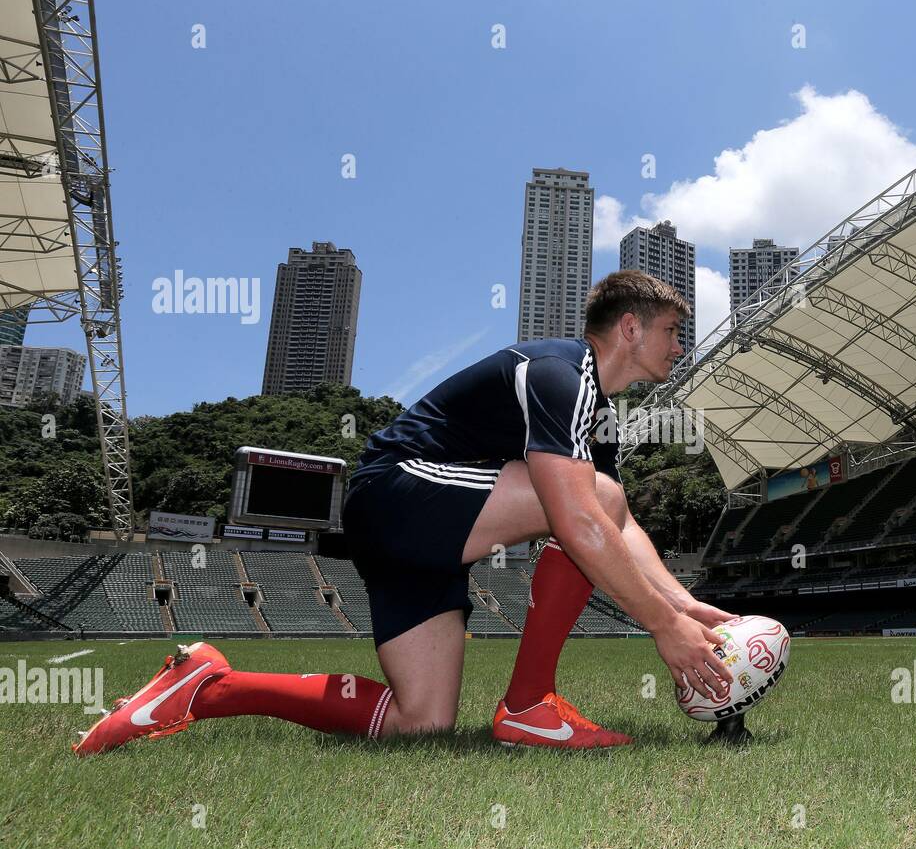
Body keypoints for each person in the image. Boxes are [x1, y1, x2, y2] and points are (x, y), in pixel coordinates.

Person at [74, 271, 735, 755]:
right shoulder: (560, 373)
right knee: (592, 499)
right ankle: (530, 704)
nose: (680, 347)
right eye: (673, 332)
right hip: (399, 495)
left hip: (423, 535)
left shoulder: (599, 415)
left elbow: (619, 529)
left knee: (421, 723)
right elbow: (585, 521)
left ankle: (211, 686)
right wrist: (662, 627)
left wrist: (687, 609)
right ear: (630, 327)